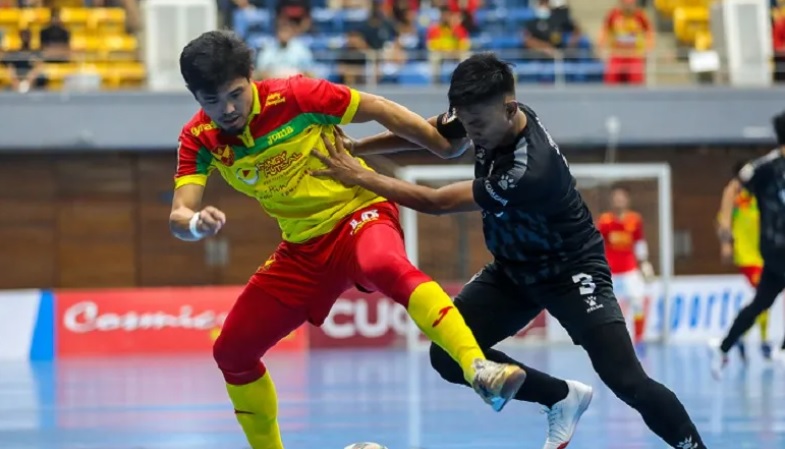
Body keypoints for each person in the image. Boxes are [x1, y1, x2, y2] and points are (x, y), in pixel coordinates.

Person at [312, 52, 708, 449]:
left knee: (627, 381)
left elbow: (437, 203)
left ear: (510, 108)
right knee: (449, 355)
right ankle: (560, 397)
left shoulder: (529, 169)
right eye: (465, 122)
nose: (471, 133)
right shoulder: (488, 112)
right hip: (513, 271)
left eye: (477, 125)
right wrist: (359, 147)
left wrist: (360, 175)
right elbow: (438, 139)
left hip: (570, 271)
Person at [171, 32, 527, 449]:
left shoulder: (297, 96)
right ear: (196, 97)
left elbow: (376, 107)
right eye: (211, 101)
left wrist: (439, 146)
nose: (227, 110)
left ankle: (477, 367)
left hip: (360, 212)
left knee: (383, 265)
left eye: (234, 94)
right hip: (302, 250)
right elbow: (179, 213)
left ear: (250, 76)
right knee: (232, 352)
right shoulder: (200, 138)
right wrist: (195, 224)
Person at [711, 112, 785, 377]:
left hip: (773, 256)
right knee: (761, 304)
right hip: (776, 250)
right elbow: (732, 189)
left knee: (760, 304)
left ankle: (723, 348)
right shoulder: (764, 168)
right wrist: (726, 231)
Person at [718, 162, 771, 362]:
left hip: (765, 254)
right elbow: (723, 221)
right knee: (763, 297)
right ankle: (763, 342)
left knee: (765, 300)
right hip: (747, 256)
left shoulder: (761, 196)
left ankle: (742, 335)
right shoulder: (736, 199)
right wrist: (726, 244)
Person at [596, 185, 655, 344]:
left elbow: (639, 242)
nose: (618, 200)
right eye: (616, 197)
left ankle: (639, 339)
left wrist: (645, 263)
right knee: (607, 307)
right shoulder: (605, 220)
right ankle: (608, 340)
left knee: (637, 303)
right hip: (611, 271)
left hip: (630, 270)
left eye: (621, 197)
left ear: (627, 199)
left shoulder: (635, 219)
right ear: (611, 199)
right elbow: (598, 244)